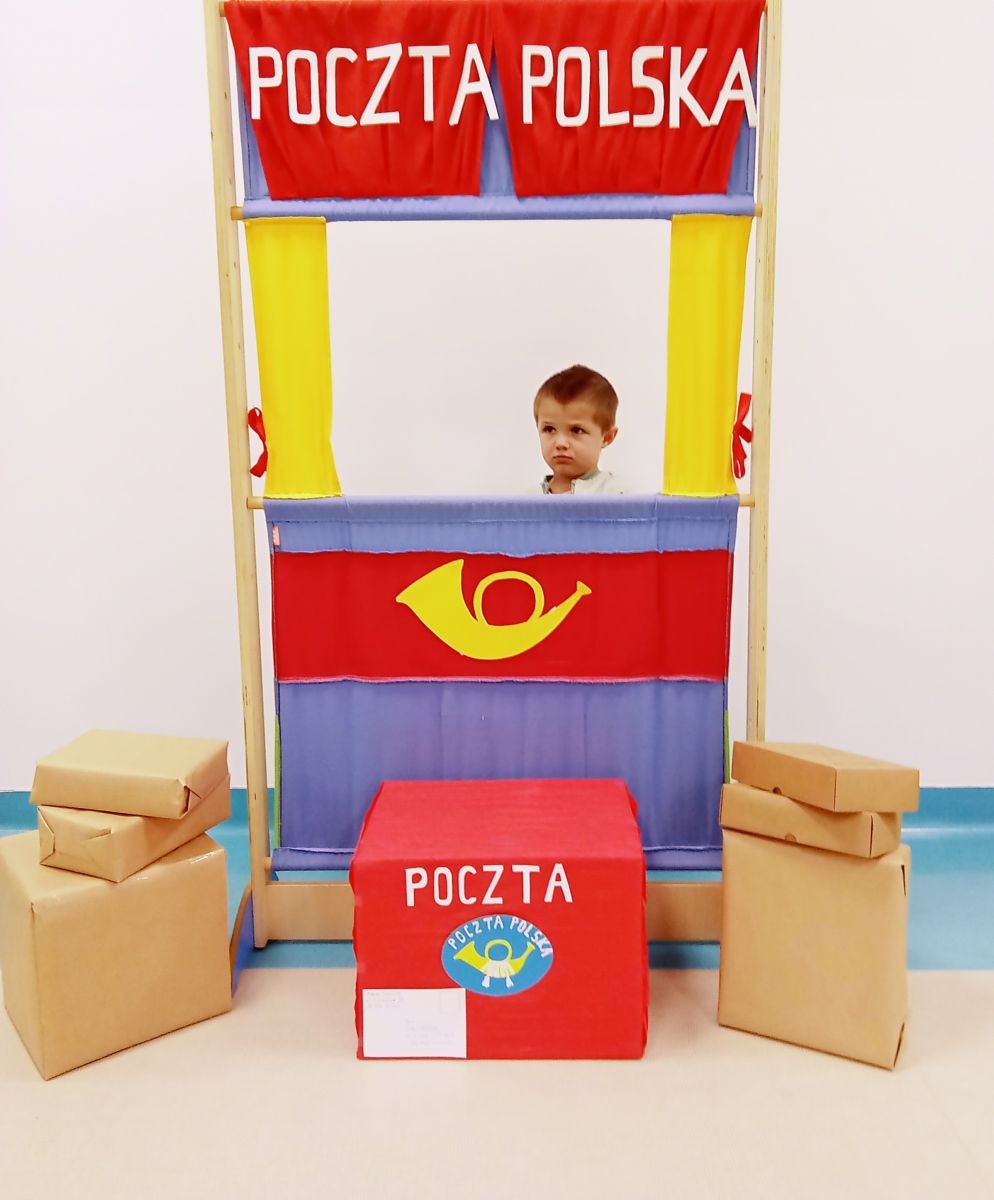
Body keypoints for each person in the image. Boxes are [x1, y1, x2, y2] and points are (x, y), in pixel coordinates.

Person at [531, 364, 626, 494]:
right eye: (549, 429)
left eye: (577, 430)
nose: (561, 443)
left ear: (607, 437)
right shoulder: (528, 499)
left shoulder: (618, 494)